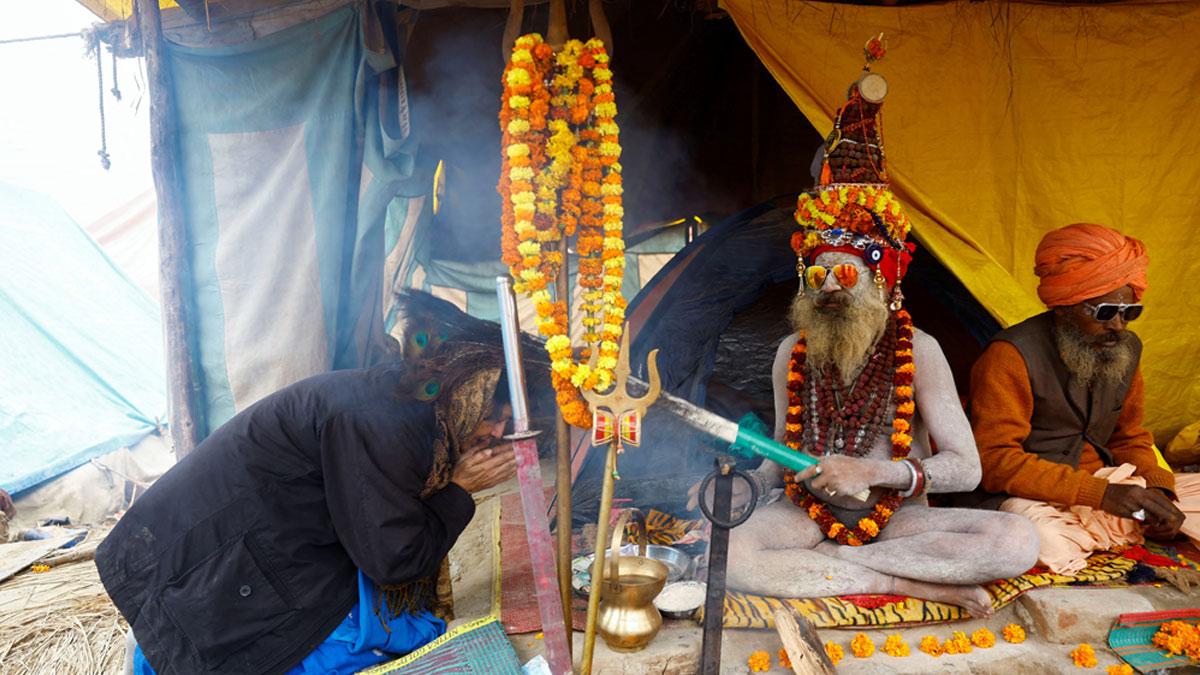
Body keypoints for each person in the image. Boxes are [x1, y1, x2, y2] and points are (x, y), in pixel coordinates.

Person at [715, 47, 1039, 618]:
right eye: (817, 276)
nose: (830, 289)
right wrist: (741, 487)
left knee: (1016, 542)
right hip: (804, 513)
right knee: (730, 552)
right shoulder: (792, 350)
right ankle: (907, 585)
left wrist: (873, 471)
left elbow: (967, 467)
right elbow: (780, 454)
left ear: (879, 282)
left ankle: (856, 573)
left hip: (897, 516)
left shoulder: (921, 349)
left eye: (845, 274)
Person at [97, 332, 520, 675]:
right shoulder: (382, 424)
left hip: (246, 545)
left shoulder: (406, 409)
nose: (497, 432)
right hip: (211, 562)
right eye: (494, 415)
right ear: (468, 395)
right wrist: (459, 491)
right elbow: (394, 558)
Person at [967, 222, 1200, 575]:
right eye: (1105, 312)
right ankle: (1114, 532)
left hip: (1110, 485)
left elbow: (1130, 436)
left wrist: (1159, 491)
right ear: (1064, 307)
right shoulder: (1009, 356)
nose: (1119, 325)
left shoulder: (1126, 349)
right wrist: (1100, 495)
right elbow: (995, 460)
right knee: (1038, 542)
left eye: (1129, 312)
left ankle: (1128, 524)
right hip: (1033, 499)